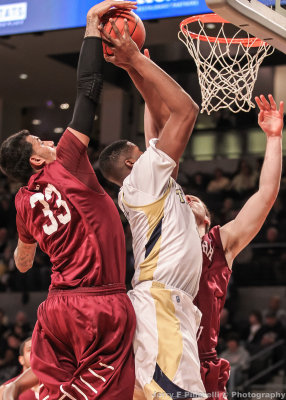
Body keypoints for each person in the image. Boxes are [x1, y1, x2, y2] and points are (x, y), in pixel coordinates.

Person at [0, 1, 137, 399]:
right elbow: (87, 91)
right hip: (99, 303)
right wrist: (92, 26)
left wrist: (29, 252)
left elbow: (23, 264)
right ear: (34, 159)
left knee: (54, 390)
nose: (48, 141)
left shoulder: (22, 204)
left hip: (55, 311)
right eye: (39, 141)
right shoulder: (66, 160)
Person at [99, 21, 206, 400]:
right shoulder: (144, 180)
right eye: (141, 151)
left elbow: (160, 118)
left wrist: (133, 67)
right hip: (162, 299)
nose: (149, 151)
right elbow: (186, 111)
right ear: (132, 164)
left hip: (165, 300)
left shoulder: (150, 181)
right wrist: (137, 64)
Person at [186, 94, 283, 399]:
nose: (188, 198)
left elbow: (266, 194)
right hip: (158, 353)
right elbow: (157, 149)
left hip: (200, 360)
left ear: (206, 218)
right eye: (183, 197)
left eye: (196, 199)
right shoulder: (162, 237)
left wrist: (274, 138)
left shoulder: (218, 242)